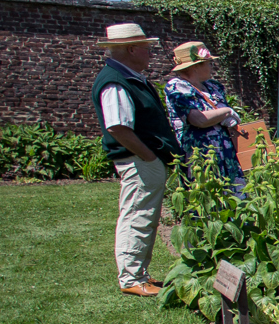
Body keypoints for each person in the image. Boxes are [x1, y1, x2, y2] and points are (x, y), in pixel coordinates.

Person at [93, 23, 184, 297]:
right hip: (138, 161)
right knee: (137, 215)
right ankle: (131, 278)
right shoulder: (115, 80)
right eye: (147, 49)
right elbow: (117, 127)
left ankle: (139, 274)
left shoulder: (128, 77)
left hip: (144, 160)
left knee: (145, 216)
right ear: (131, 49)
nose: (150, 55)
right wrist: (148, 155)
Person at [163, 41, 244, 193]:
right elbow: (199, 119)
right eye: (208, 63)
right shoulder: (177, 87)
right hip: (200, 157)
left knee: (234, 200)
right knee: (207, 198)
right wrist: (227, 111)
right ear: (195, 67)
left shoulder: (214, 86)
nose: (211, 66)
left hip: (226, 153)